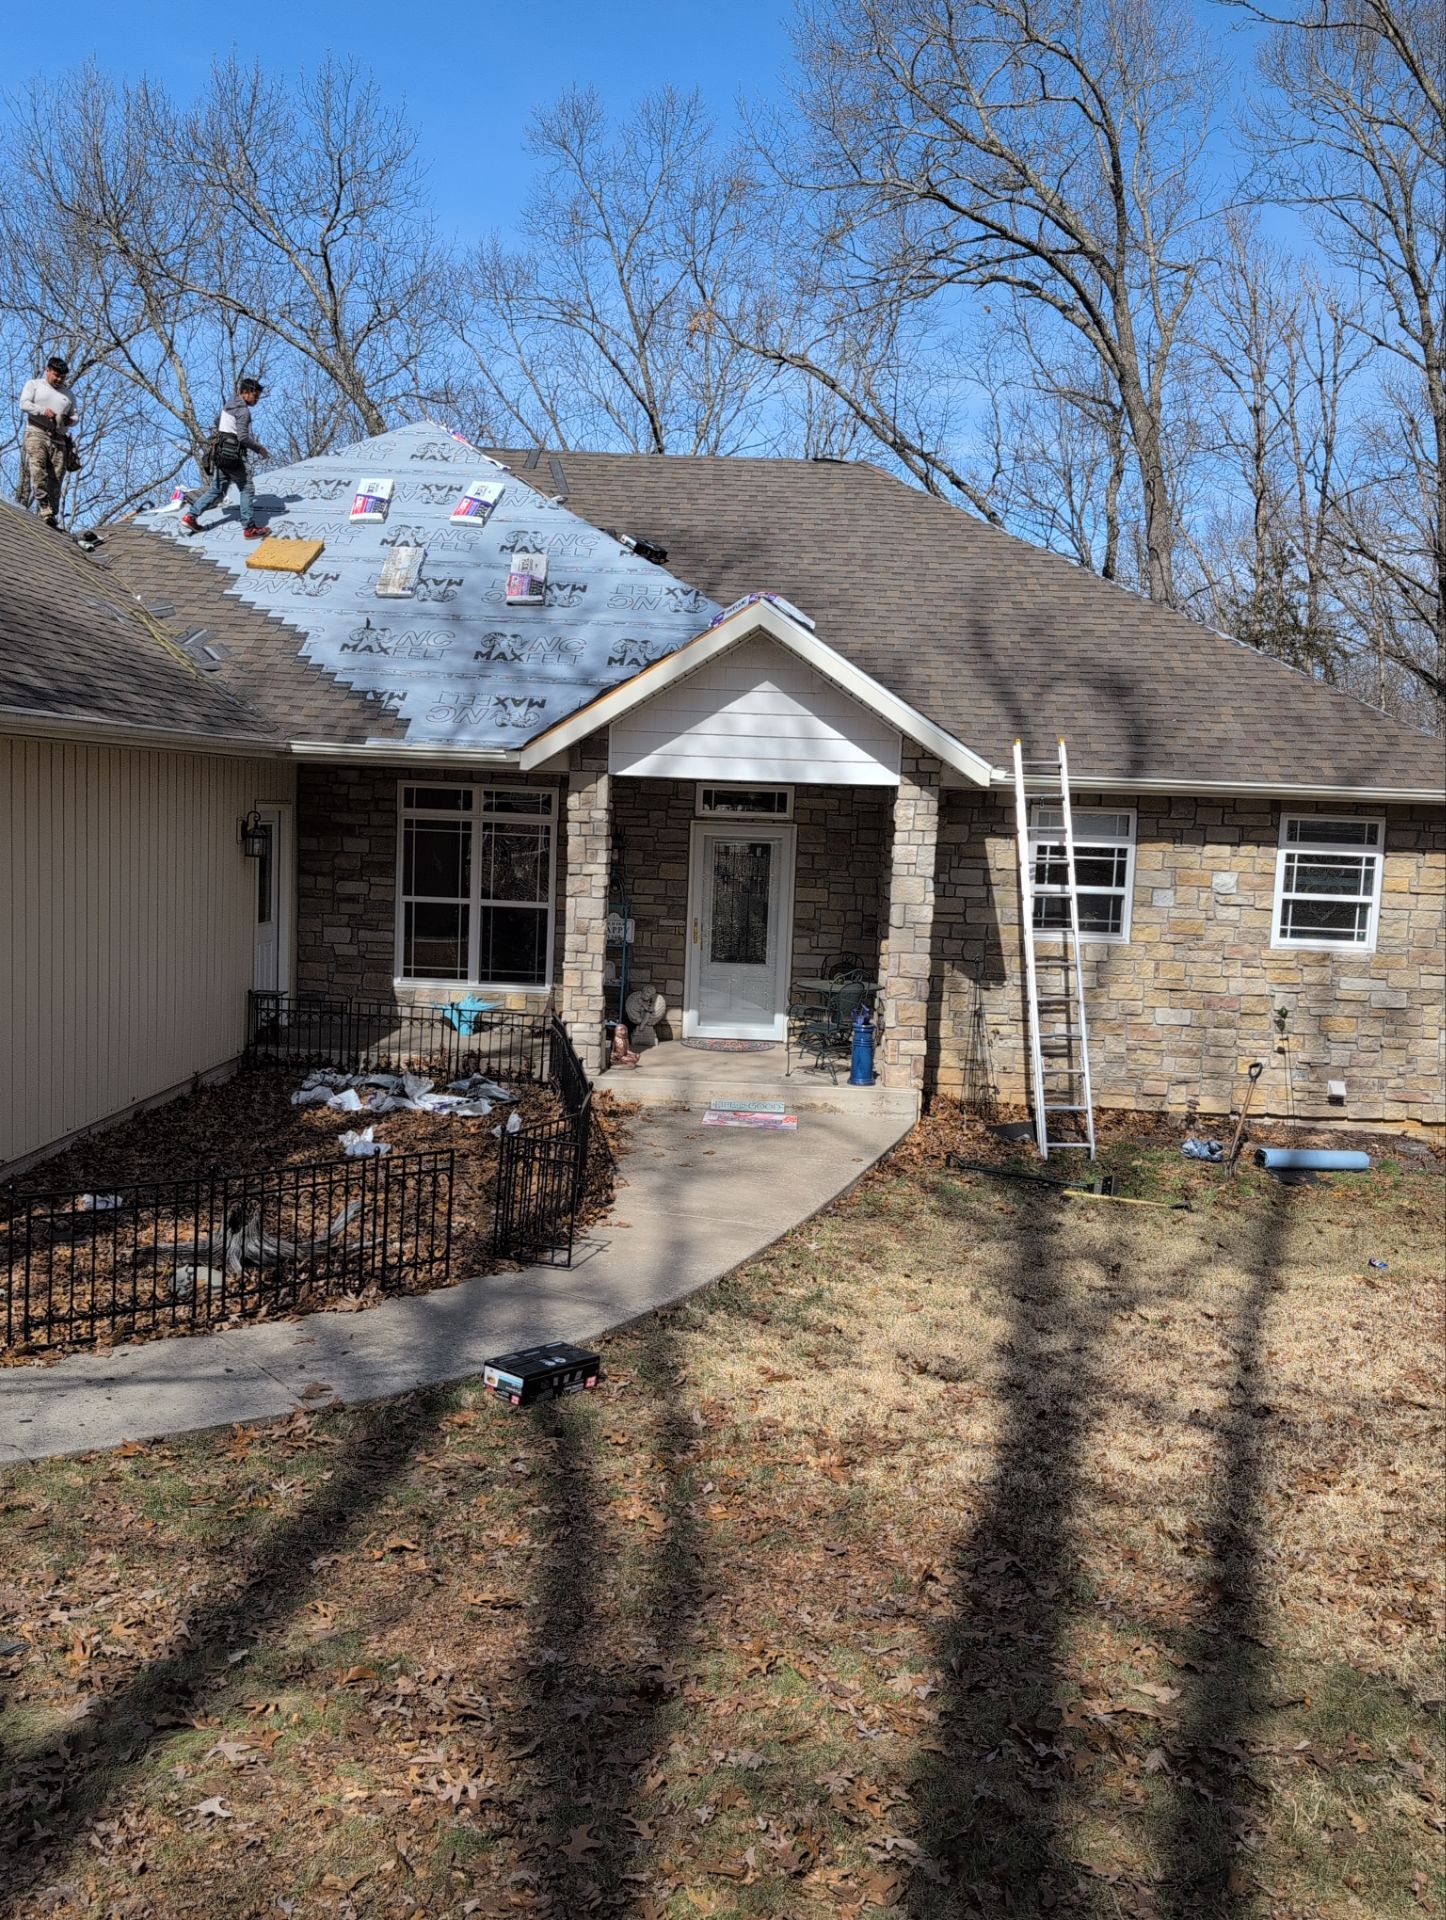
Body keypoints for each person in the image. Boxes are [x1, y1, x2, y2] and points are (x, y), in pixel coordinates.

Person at [182, 377, 271, 539]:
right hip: (233, 457)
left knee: (216, 490)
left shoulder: (229, 404)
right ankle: (249, 528)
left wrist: (225, 434)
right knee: (246, 488)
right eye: (255, 395)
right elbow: (243, 437)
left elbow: (217, 421)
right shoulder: (243, 411)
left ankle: (191, 516)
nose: (256, 399)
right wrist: (260, 449)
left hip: (220, 453)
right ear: (245, 393)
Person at [18, 355, 80, 529]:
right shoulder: (35, 385)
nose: (59, 380)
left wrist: (69, 420)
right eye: (56, 375)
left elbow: (76, 417)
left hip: (59, 439)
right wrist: (42, 411)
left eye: (62, 377)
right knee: (38, 469)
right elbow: (24, 404)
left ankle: (51, 514)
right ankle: (44, 506)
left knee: (57, 478)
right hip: (37, 432)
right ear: (47, 371)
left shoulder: (68, 394)